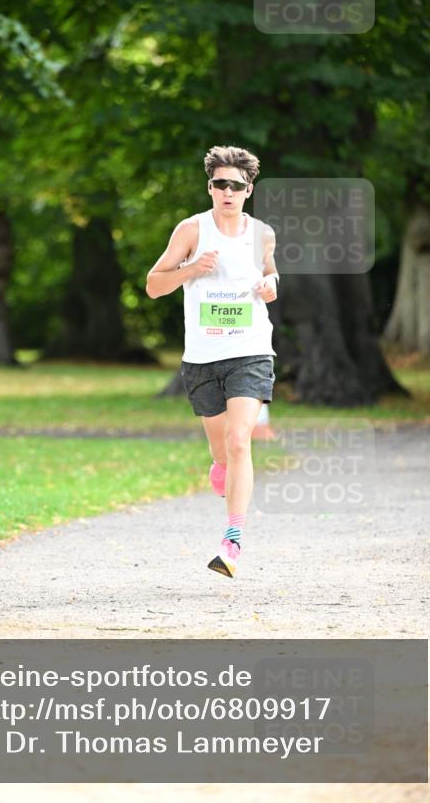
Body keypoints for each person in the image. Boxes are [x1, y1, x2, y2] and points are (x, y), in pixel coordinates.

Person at [146, 146, 278, 579]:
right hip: (202, 359)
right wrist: (191, 270)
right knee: (223, 453)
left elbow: (270, 272)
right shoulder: (191, 230)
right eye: (220, 184)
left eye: (235, 186)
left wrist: (271, 283)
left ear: (248, 190)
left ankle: (233, 541)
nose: (227, 191)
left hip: (251, 350)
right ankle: (222, 468)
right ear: (210, 187)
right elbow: (152, 286)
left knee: (241, 441)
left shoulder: (262, 233)